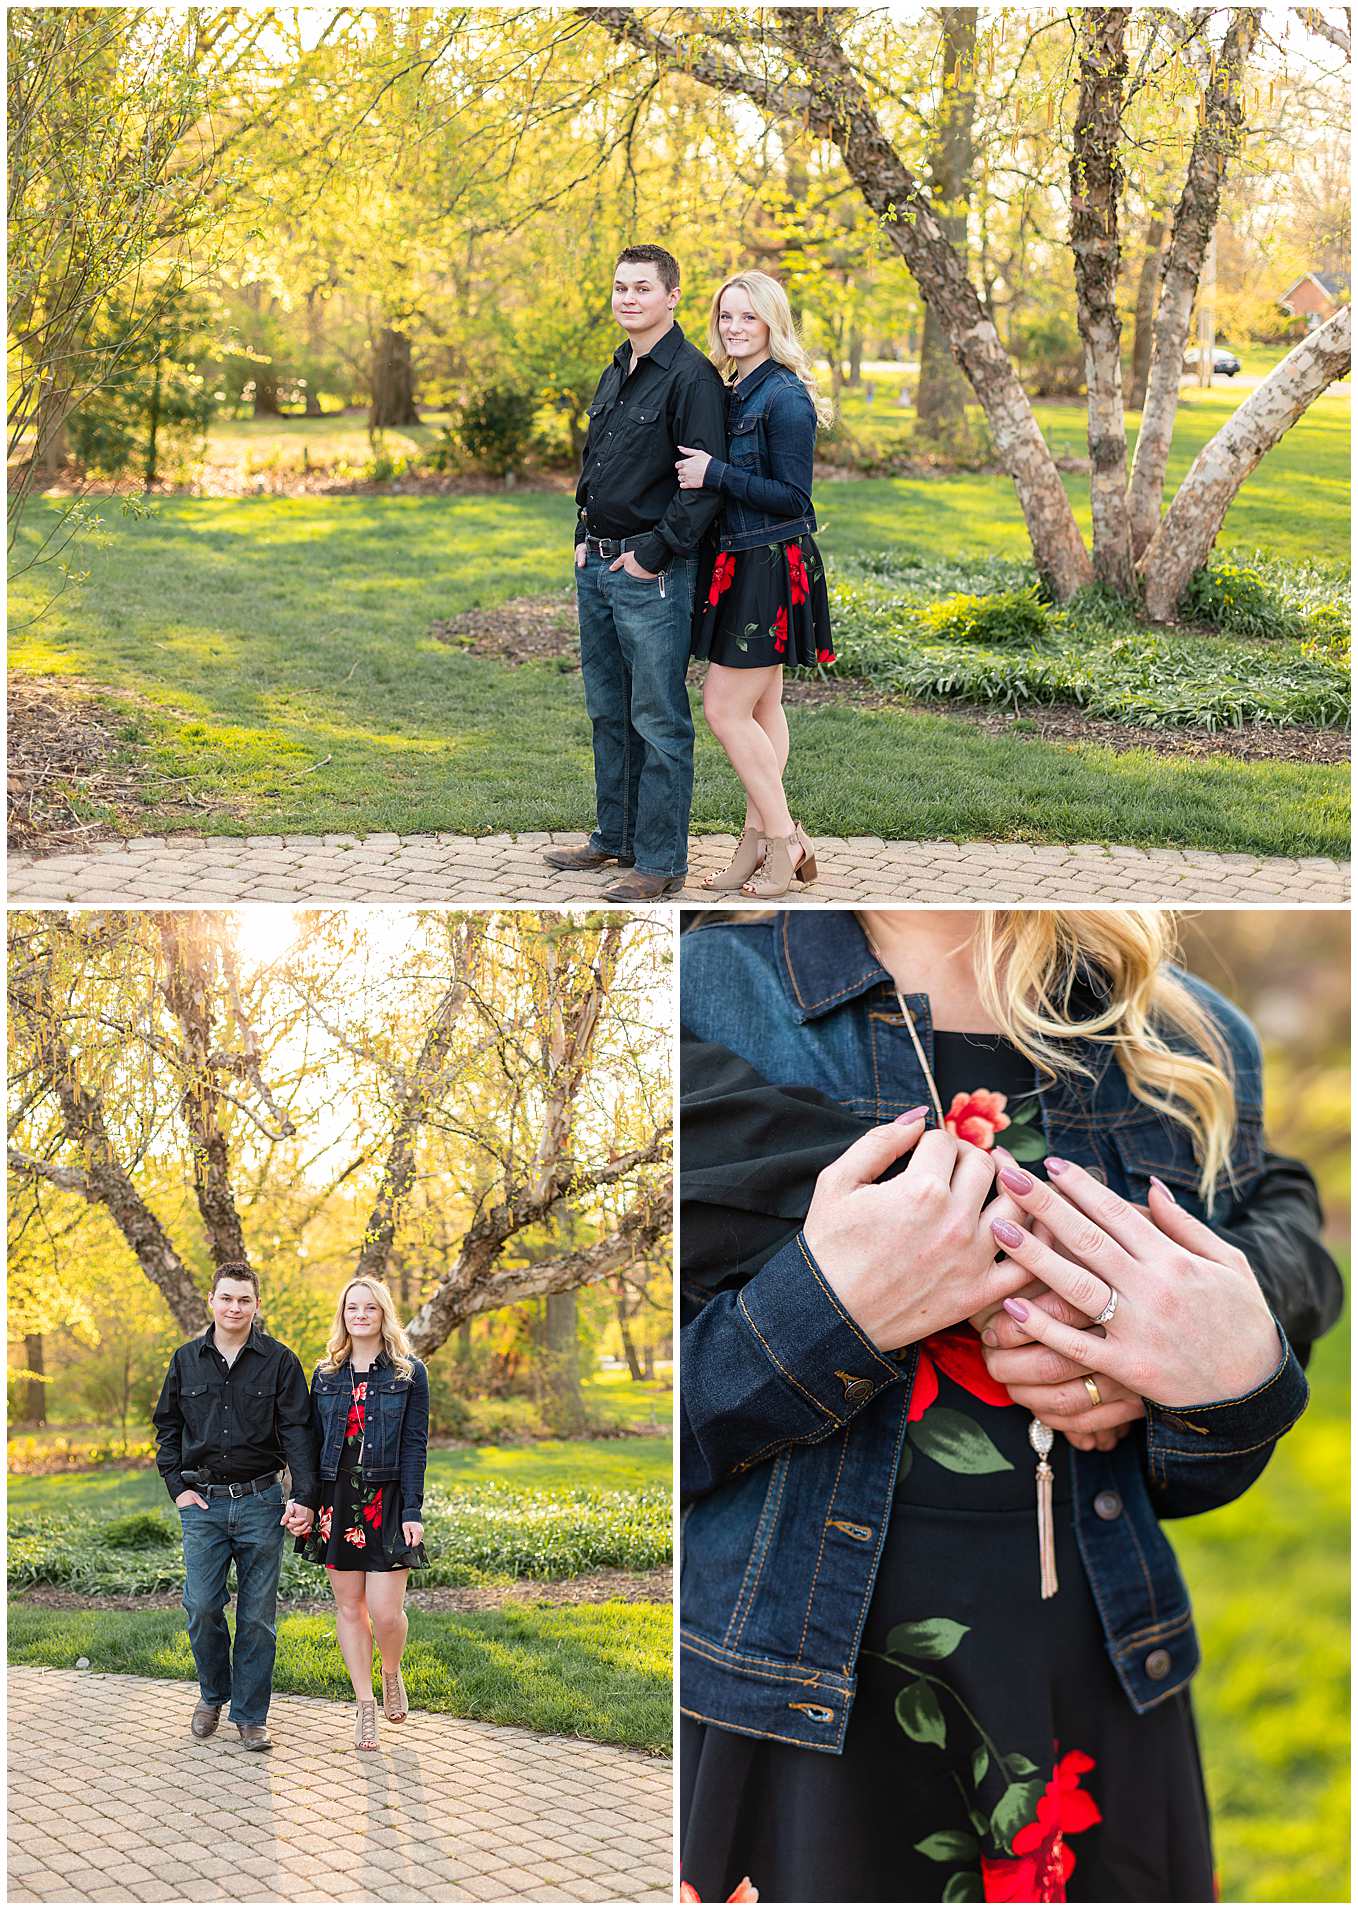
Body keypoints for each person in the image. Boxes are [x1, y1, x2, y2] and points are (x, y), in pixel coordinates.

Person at [677, 909, 1342, 1903]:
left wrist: (1207, 1385)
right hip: (792, 1709)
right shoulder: (699, 992)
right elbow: (660, 1436)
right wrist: (822, 1312)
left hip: (1100, 1691)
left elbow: (1198, 1471)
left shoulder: (1184, 1039)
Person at [543, 243, 727, 901]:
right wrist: (580, 533)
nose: (628, 298)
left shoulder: (691, 377)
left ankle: (659, 863)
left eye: (642, 288)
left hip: (651, 573)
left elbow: (701, 487)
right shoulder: (618, 367)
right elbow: (598, 461)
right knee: (608, 710)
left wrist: (654, 552)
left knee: (657, 717)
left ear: (672, 296)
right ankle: (614, 838)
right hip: (596, 563)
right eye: (621, 287)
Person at [678, 271, 836, 899]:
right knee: (761, 707)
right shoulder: (732, 387)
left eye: (747, 317)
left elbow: (794, 498)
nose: (734, 328)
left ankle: (784, 840)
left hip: (769, 564)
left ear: (772, 321)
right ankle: (753, 845)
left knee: (723, 707)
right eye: (725, 317)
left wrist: (716, 473)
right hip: (735, 561)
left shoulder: (785, 397)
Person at [152, 1262, 319, 1751]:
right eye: (227, 1298)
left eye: (244, 1300)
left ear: (256, 1305)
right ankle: (212, 1694)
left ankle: (250, 1715)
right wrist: (177, 1489)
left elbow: (298, 1434)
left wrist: (303, 1495)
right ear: (212, 1300)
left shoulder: (280, 1362)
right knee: (202, 1606)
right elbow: (166, 1428)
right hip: (202, 1505)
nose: (235, 1307)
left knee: (257, 1618)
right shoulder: (186, 1360)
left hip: (261, 1502)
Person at [295, 1276, 430, 1752]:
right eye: (352, 1307)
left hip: (387, 1500)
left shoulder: (408, 1373)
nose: (360, 1315)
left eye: (369, 1308)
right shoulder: (326, 1375)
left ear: (383, 1314)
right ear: (343, 1314)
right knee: (350, 1607)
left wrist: (412, 1509)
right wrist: (306, 1501)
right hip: (337, 1501)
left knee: (386, 1612)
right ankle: (365, 1705)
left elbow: (415, 1445)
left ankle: (391, 1672)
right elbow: (309, 1446)